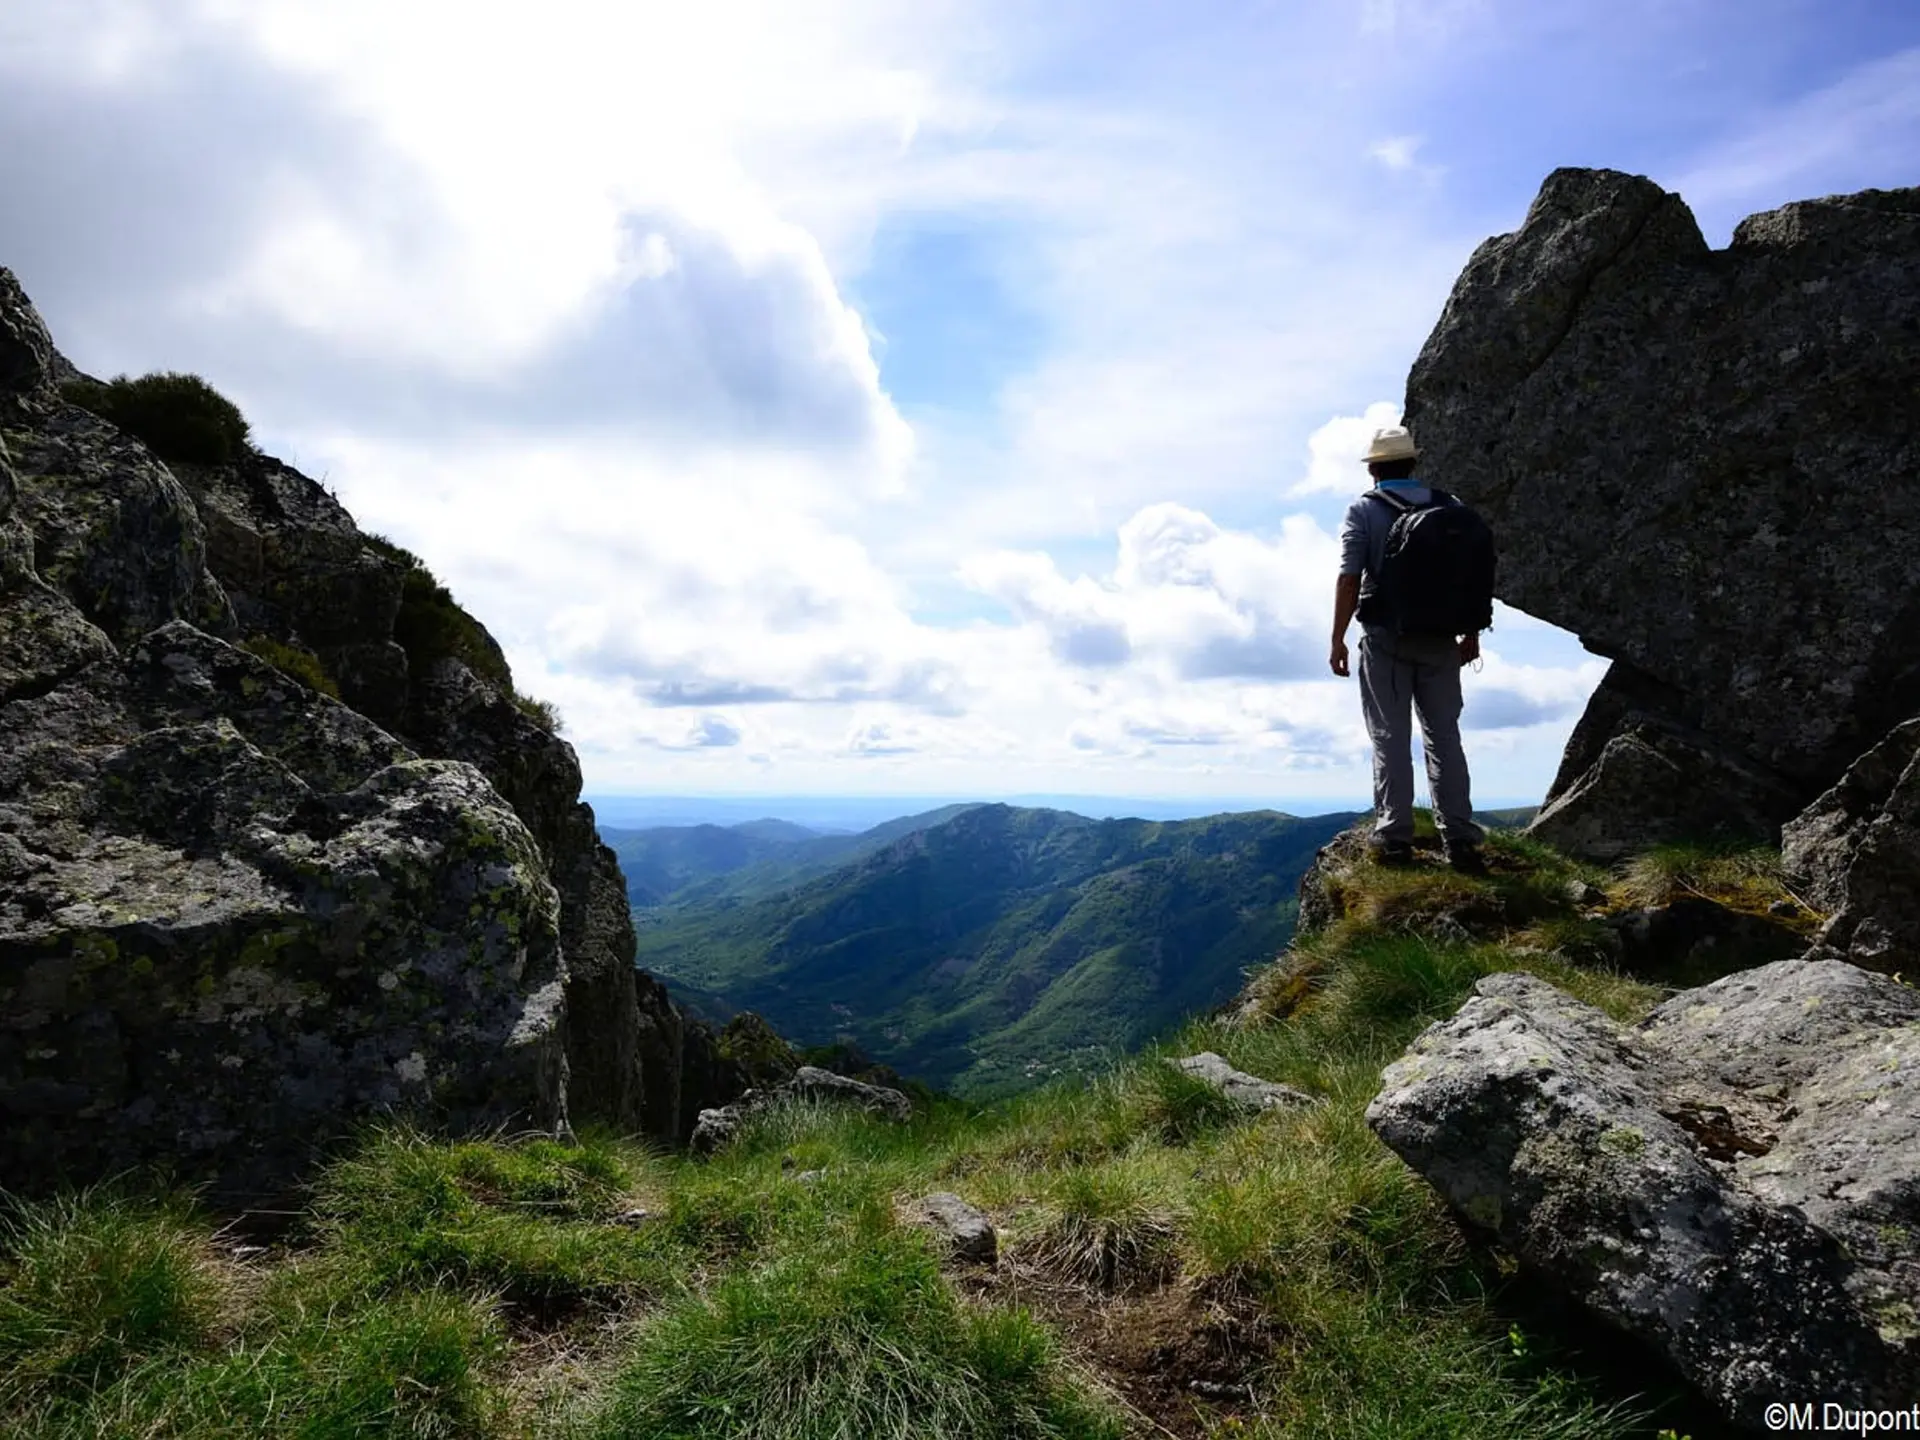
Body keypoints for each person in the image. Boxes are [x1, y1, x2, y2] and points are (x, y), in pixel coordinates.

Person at [1328, 425, 1487, 872]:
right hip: (1442, 639)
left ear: (1374, 468)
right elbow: (1471, 575)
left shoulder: (1364, 510)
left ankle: (1395, 836)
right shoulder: (1449, 507)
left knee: (1389, 737)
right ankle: (1459, 837)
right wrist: (1471, 634)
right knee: (1444, 737)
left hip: (1385, 638)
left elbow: (1349, 578)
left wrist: (1337, 637)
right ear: (1413, 464)